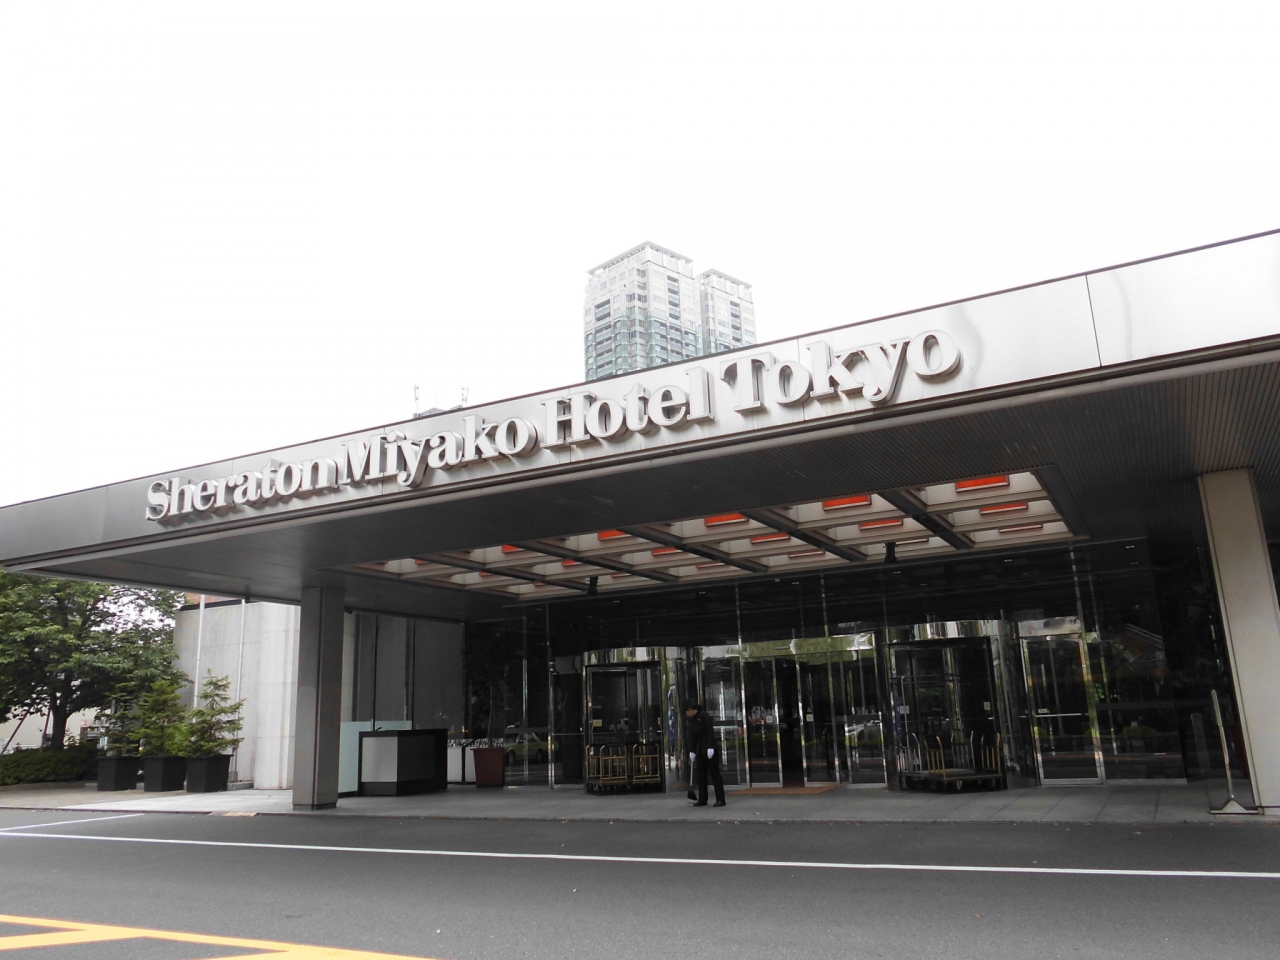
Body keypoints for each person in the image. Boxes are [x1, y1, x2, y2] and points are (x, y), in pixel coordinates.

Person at [684, 701, 726, 807]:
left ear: (691, 710)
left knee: (714, 773)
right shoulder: (691, 720)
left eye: (687, 711)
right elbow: (692, 736)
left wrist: (710, 747)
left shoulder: (704, 716)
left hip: (709, 749)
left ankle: (720, 799)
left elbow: (710, 732)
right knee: (701, 775)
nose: (687, 714)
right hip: (699, 750)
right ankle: (702, 799)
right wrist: (692, 751)